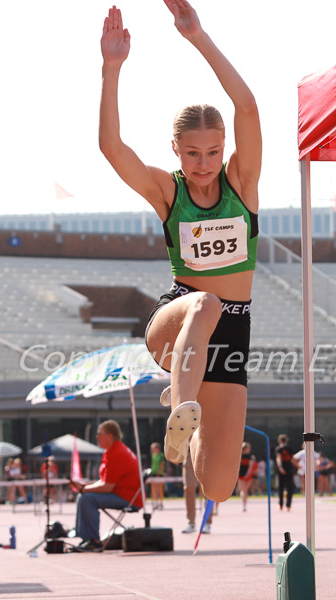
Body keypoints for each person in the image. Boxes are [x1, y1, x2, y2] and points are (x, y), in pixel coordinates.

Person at [99, 1, 262, 504]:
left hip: (233, 328)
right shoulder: (168, 193)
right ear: (176, 150)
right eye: (193, 153)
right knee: (205, 302)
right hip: (178, 319)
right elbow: (112, 148)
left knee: (217, 488)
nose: (205, 163)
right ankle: (182, 399)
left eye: (213, 152)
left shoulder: (242, 183)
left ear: (225, 148)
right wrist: (111, 69)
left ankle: (181, 418)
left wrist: (198, 36)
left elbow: (248, 107)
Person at [71, 420, 143, 551]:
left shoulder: (117, 453)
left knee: (87, 498)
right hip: (120, 493)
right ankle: (87, 538)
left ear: (110, 436)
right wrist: (86, 487)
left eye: (99, 434)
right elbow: (105, 481)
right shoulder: (111, 451)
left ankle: (94, 541)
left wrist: (85, 489)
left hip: (128, 498)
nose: (97, 436)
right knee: (84, 496)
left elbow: (107, 486)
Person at [181, 448, 212, 533]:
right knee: (189, 488)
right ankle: (191, 523)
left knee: (208, 490)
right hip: (190, 453)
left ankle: (207, 523)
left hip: (207, 453)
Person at [275, 434, 298, 511]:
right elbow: (293, 459)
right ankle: (288, 505)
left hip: (282, 470)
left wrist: (280, 467)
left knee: (281, 488)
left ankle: (280, 504)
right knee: (290, 488)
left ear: (279, 441)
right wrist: (298, 466)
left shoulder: (279, 449)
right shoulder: (290, 448)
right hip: (289, 469)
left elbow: (278, 459)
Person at [237, 441, 256, 512]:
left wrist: (247, 474)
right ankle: (244, 505)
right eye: (248, 448)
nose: (249, 450)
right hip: (241, 475)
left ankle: (245, 504)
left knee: (246, 490)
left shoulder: (250, 457)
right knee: (243, 490)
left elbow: (250, 467)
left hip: (247, 475)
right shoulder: (239, 456)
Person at [148, 442, 166, 510]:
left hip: (159, 474)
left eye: (153, 448)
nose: (152, 450)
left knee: (159, 489)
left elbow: (162, 464)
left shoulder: (161, 455)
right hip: (154, 473)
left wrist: (159, 473)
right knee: (154, 489)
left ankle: (160, 502)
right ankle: (155, 502)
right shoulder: (153, 455)